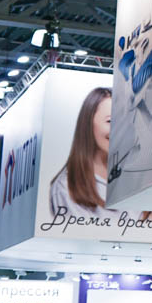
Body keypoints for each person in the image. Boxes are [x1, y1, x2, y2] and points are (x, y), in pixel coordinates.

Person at [50, 85, 118, 216]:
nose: (118, 129)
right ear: (88, 123)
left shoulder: (134, 178)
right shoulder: (66, 187)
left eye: (123, 120)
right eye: (110, 121)